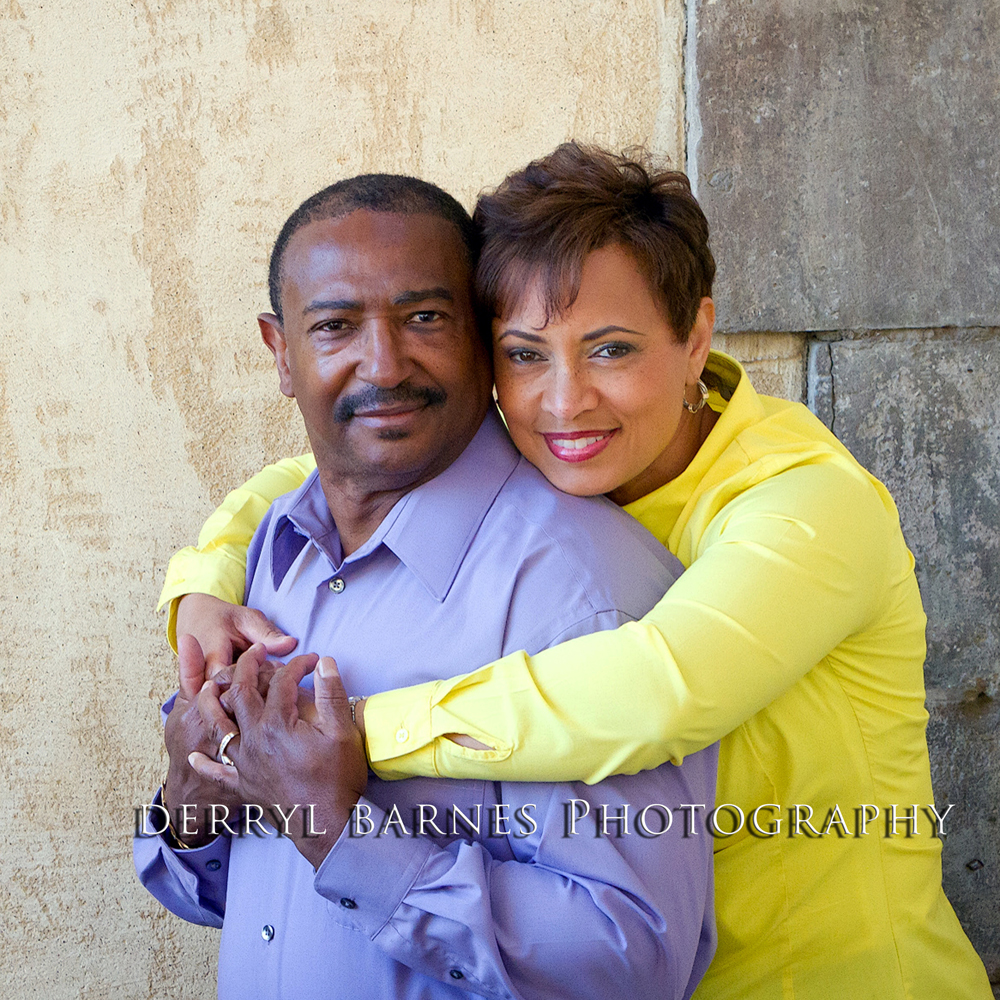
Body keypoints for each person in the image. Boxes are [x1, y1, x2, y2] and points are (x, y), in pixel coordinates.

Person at [160, 145, 993, 999]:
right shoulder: (551, 477)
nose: (564, 402)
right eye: (525, 355)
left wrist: (336, 736)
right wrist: (200, 582)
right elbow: (306, 475)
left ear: (696, 337)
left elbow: (656, 693)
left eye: (611, 350)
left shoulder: (804, 507)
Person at [134, 173, 718, 1000]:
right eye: (335, 326)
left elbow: (631, 963)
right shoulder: (275, 552)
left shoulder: (583, 593)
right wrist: (189, 804)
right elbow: (242, 902)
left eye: (424, 318)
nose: (384, 364)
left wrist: (341, 834)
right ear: (281, 353)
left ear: (481, 335)